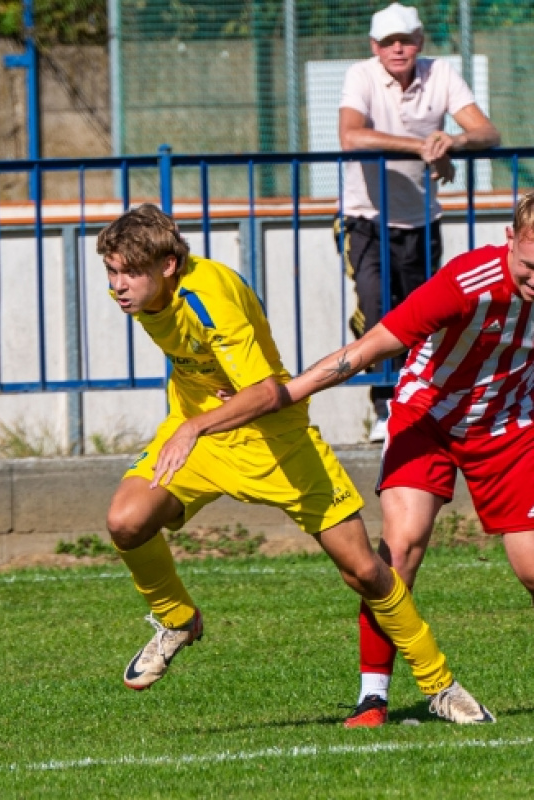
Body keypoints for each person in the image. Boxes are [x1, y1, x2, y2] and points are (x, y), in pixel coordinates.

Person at [95, 202, 492, 724]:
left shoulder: (209, 297)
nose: (117, 285)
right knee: (126, 522)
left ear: (167, 267)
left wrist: (195, 424)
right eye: (110, 271)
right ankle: (177, 619)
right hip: (207, 435)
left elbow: (265, 391)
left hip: (276, 443)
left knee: (364, 571)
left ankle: (438, 682)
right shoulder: (149, 294)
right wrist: (195, 416)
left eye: (129, 273)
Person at [283, 190, 534, 727]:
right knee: (399, 551)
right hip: (429, 416)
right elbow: (371, 347)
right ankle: (372, 700)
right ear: (511, 239)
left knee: (532, 566)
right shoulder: (467, 282)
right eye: (531, 267)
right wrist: (288, 393)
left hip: (509, 424)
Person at [337, 2, 500, 442]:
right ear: (374, 46)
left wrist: (454, 140)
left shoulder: (439, 72)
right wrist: (422, 147)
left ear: (420, 41)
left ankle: (421, 405)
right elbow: (350, 136)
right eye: (388, 41)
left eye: (406, 39)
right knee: (375, 308)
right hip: (364, 219)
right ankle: (383, 407)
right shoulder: (361, 75)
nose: (398, 49)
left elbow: (488, 133)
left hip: (422, 221)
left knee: (425, 317)